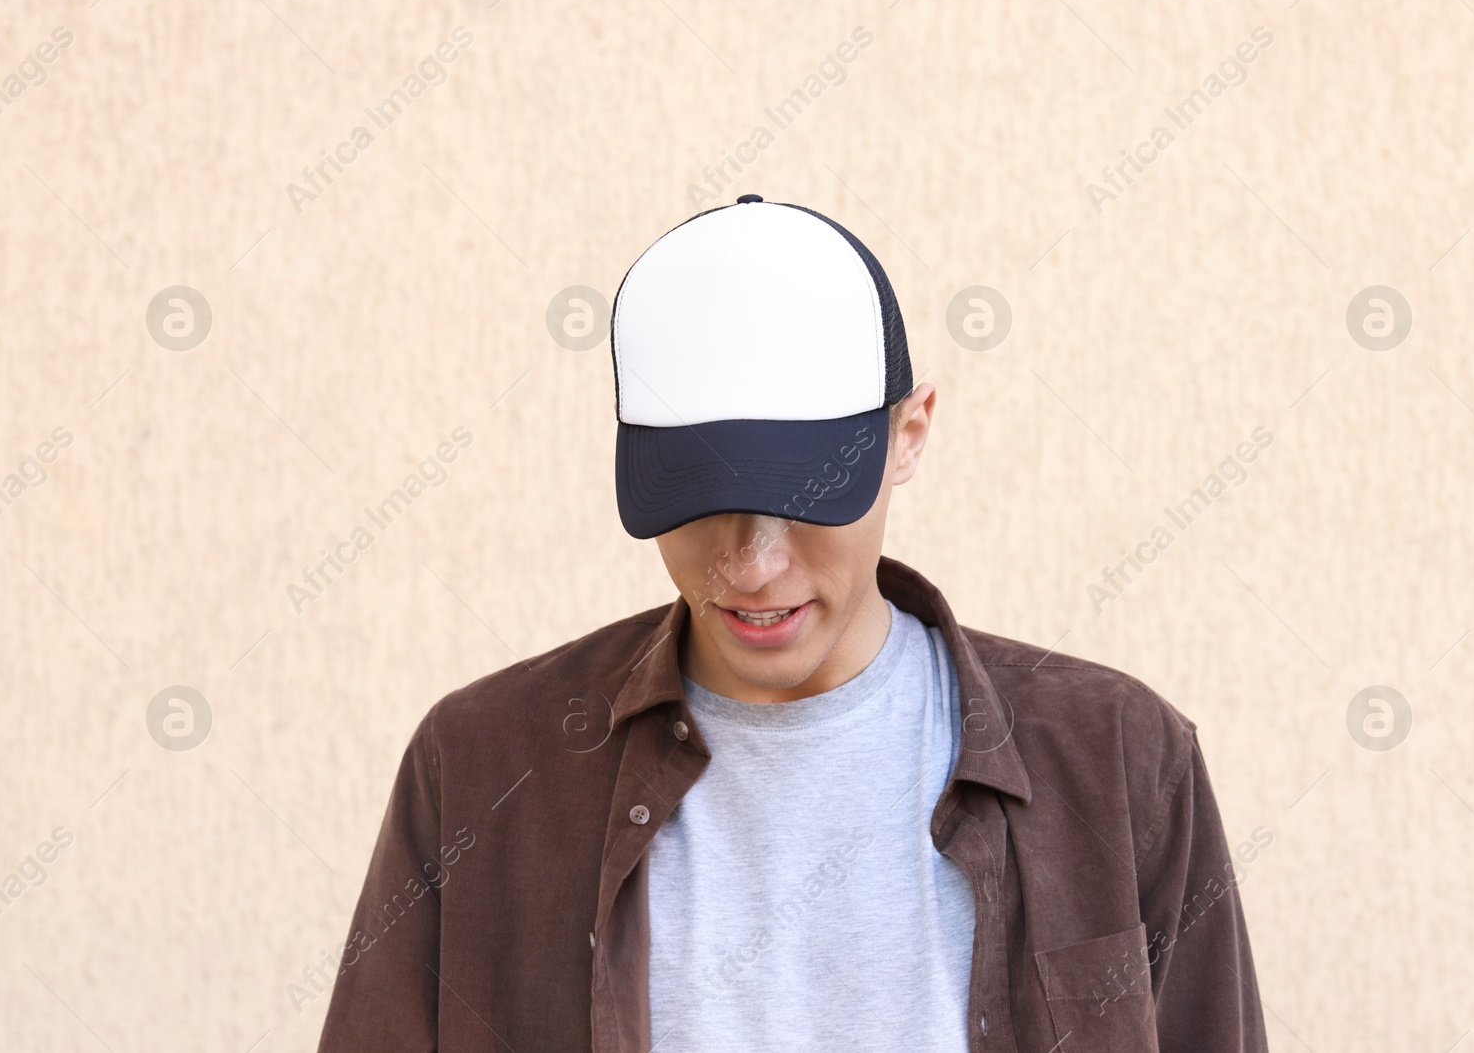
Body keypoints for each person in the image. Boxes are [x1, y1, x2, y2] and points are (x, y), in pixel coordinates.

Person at [316, 195, 1270, 1052]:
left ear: (911, 433)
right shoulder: (483, 766)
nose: (752, 563)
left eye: (807, 492)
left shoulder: (1118, 758)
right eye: (701, 495)